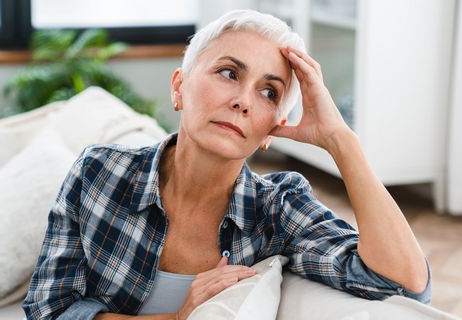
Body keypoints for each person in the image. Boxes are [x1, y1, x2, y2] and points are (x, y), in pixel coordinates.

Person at [22, 9, 431, 320]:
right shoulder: (99, 174)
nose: (244, 101)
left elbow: (403, 282)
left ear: (272, 129)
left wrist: (342, 142)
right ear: (179, 86)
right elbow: (48, 309)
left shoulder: (276, 208)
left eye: (270, 92)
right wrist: (179, 318)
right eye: (229, 73)